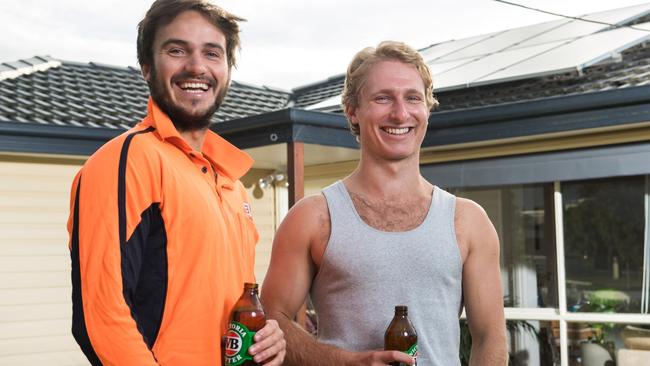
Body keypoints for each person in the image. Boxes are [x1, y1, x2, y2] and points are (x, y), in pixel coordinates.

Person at [261, 41, 507, 365]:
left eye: (413, 98)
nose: (400, 113)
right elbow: (271, 322)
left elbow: (490, 337)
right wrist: (348, 363)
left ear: (427, 110)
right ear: (352, 110)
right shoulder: (312, 217)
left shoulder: (468, 221)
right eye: (382, 98)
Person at [66, 1, 285, 365]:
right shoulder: (127, 160)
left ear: (227, 70)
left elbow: (232, 309)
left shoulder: (232, 183)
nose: (196, 66)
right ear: (147, 66)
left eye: (211, 53)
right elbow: (101, 318)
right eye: (177, 50)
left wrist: (266, 338)